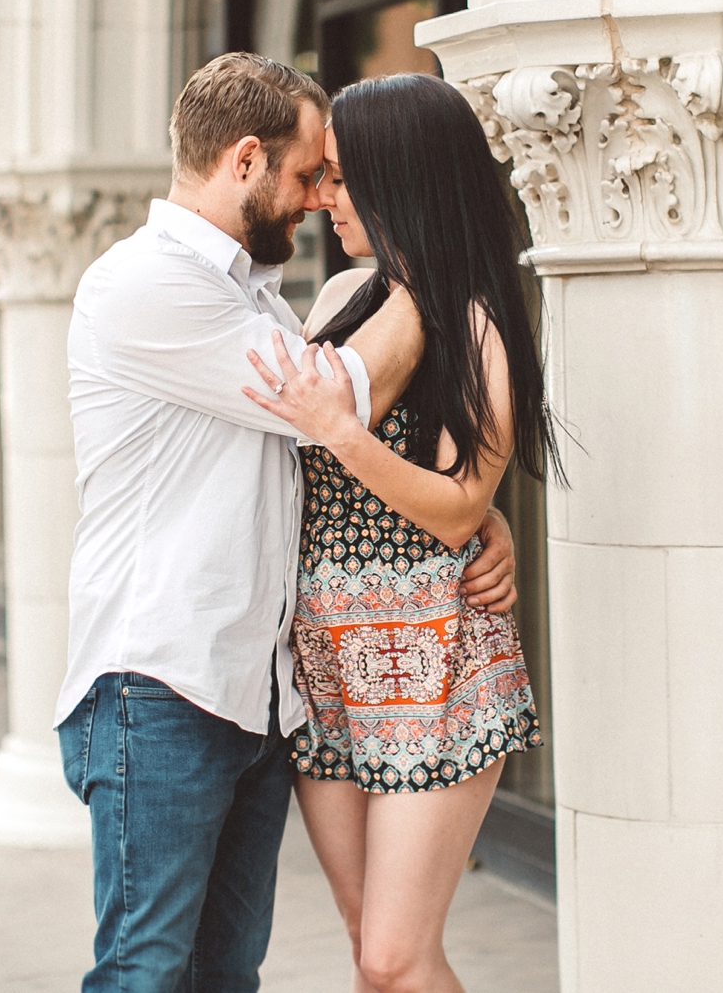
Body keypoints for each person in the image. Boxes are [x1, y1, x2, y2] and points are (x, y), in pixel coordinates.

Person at [58, 53, 520, 993]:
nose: (319, 199)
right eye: (314, 173)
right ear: (243, 162)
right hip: (166, 683)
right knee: (147, 971)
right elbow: (327, 406)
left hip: (283, 687)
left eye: (340, 178)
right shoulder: (149, 285)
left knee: (242, 970)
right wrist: (422, 280)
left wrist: (478, 513)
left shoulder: (255, 294)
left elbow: (344, 457)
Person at [244, 72, 555, 993]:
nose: (324, 197)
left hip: (437, 661)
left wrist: (345, 433)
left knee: (396, 955)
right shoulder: (343, 292)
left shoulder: (481, 319)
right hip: (326, 658)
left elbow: (458, 500)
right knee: (363, 943)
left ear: (400, 179)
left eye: (341, 178)